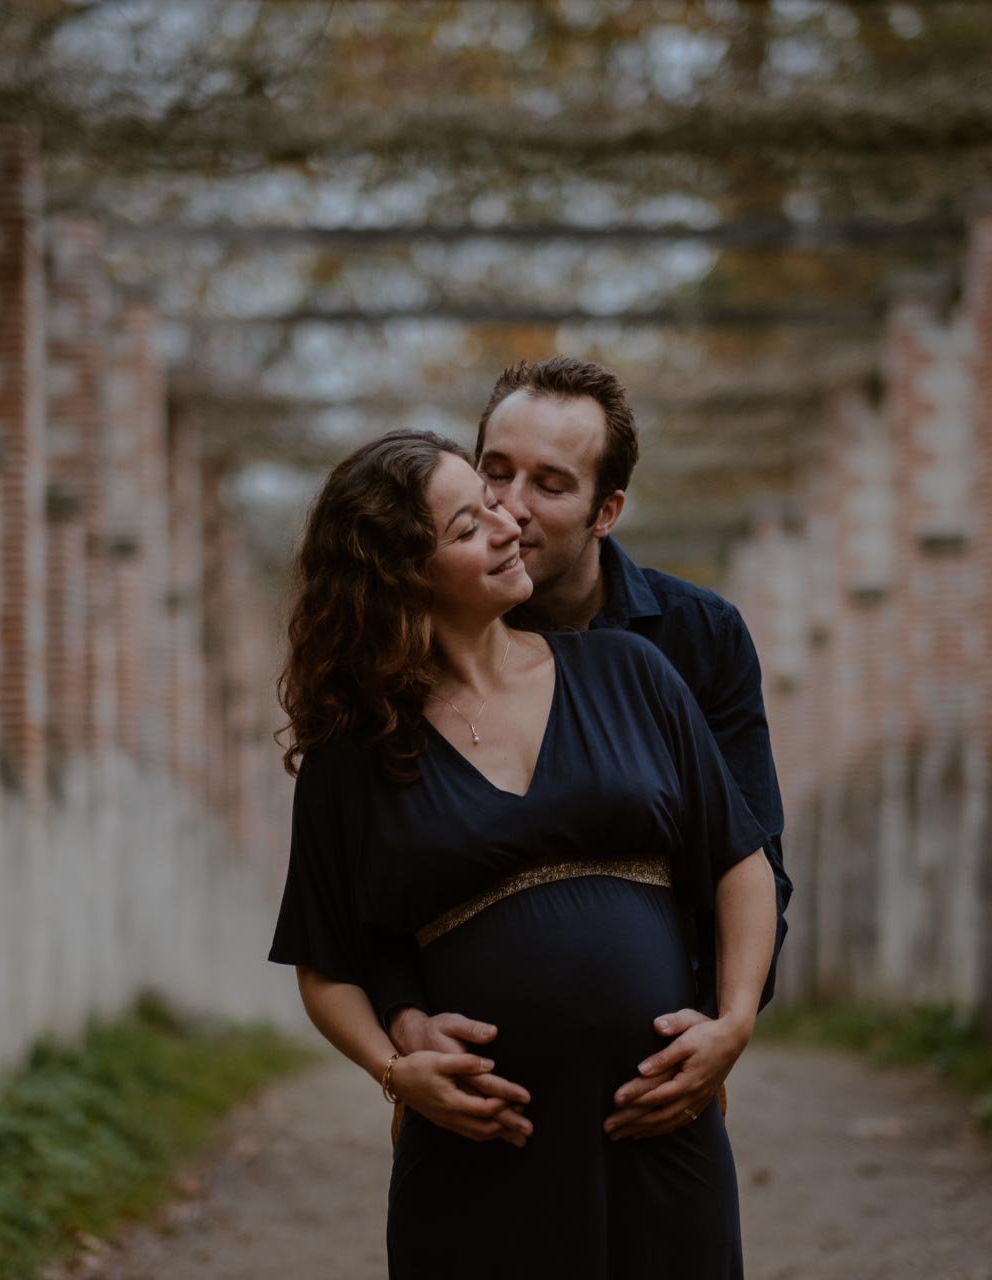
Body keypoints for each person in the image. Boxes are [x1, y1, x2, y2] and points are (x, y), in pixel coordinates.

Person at [268, 429, 777, 1277]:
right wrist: (396, 1075)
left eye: (494, 506)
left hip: (662, 1128)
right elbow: (325, 967)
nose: (508, 526)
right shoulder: (351, 756)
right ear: (398, 580)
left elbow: (738, 861)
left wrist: (733, 1023)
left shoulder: (633, 673)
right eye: (467, 528)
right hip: (477, 1153)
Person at [370, 356, 792, 1144]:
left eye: (551, 485)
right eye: (494, 472)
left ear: (607, 510)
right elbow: (371, 876)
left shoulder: (696, 640)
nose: (510, 507)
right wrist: (404, 1027)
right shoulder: (410, 654)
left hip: (656, 1084)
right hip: (475, 1100)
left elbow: (750, 855)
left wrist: (718, 1030)